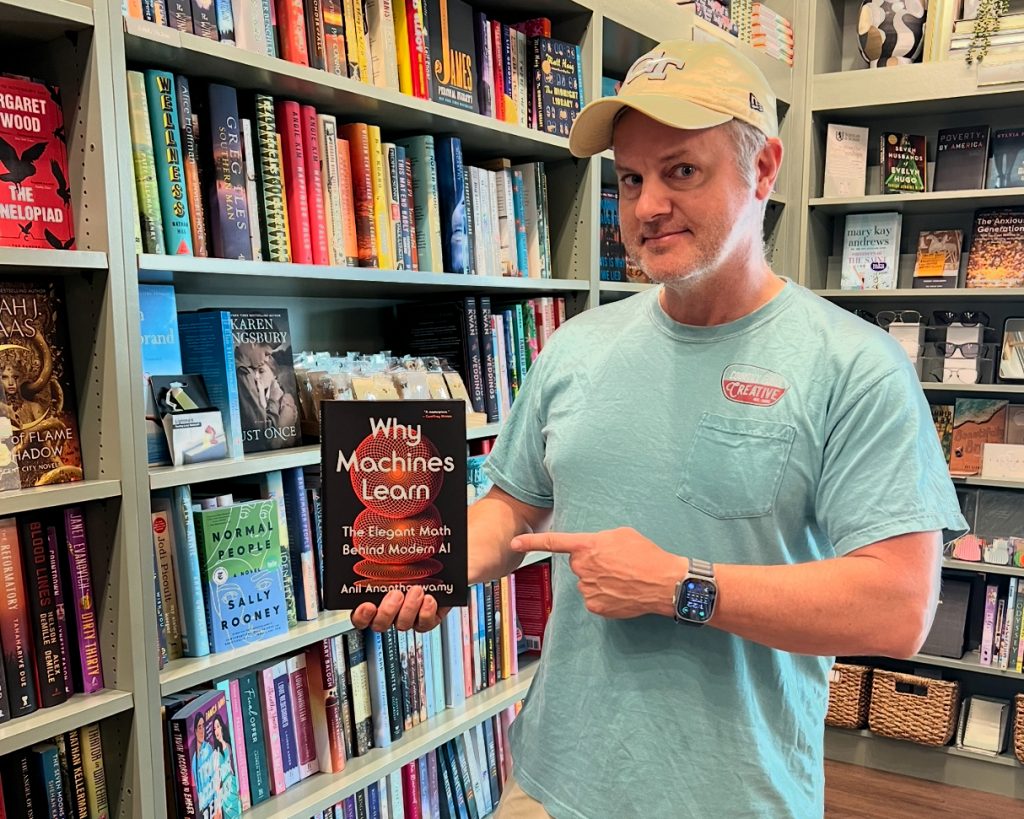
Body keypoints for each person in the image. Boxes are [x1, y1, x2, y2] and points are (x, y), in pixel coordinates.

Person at [352, 40, 968, 818]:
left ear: (764, 169)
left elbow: (899, 606)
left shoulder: (855, 364)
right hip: (549, 783)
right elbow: (514, 509)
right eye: (631, 178)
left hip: (734, 798)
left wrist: (682, 585)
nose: (645, 207)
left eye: (682, 171)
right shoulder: (577, 345)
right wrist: (428, 566)